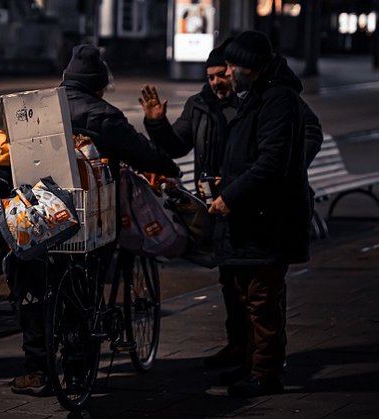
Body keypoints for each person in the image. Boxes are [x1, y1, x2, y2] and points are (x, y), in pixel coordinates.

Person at [8, 44, 182, 396]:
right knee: (84, 291)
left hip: (38, 218)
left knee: (36, 288)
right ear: (98, 85)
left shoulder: (36, 109)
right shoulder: (105, 115)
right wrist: (169, 166)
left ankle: (38, 371)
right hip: (89, 219)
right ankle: (76, 375)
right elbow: (143, 154)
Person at [208, 30, 323, 397]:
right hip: (253, 216)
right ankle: (252, 367)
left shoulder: (278, 100)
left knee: (262, 301)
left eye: (231, 65)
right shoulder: (259, 96)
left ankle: (266, 375)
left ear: (249, 67)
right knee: (249, 297)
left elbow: (271, 162)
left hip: (268, 218)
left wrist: (231, 196)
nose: (226, 72)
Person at [138, 38, 248, 370]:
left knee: (249, 279)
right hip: (211, 204)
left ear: (233, 72)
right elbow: (176, 147)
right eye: (210, 76)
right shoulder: (199, 105)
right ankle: (237, 345)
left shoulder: (249, 106)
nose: (215, 82)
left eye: (221, 75)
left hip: (242, 200)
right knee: (228, 277)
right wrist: (156, 123)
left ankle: (256, 350)